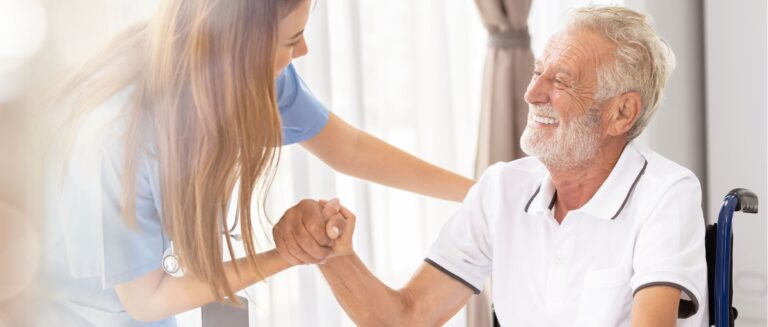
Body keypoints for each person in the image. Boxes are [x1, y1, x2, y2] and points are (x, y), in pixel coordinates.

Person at [39, 0, 473, 325]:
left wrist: (483, 191)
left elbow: (351, 150)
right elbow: (146, 299)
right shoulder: (122, 135)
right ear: (235, 45)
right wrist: (287, 253)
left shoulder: (259, 81)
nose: (303, 50)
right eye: (290, 40)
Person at [285, 6, 708, 326]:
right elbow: (405, 317)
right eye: (538, 72)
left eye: (560, 81)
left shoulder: (667, 192)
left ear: (621, 113)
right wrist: (334, 256)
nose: (532, 93)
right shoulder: (502, 188)